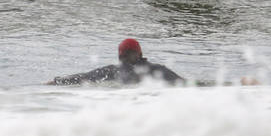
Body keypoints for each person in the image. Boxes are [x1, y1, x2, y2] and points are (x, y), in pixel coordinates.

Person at [46, 38, 185, 86]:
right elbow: (183, 82)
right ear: (141, 54)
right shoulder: (156, 69)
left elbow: (84, 77)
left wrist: (57, 81)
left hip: (121, 97)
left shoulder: (112, 70)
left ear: (119, 56)